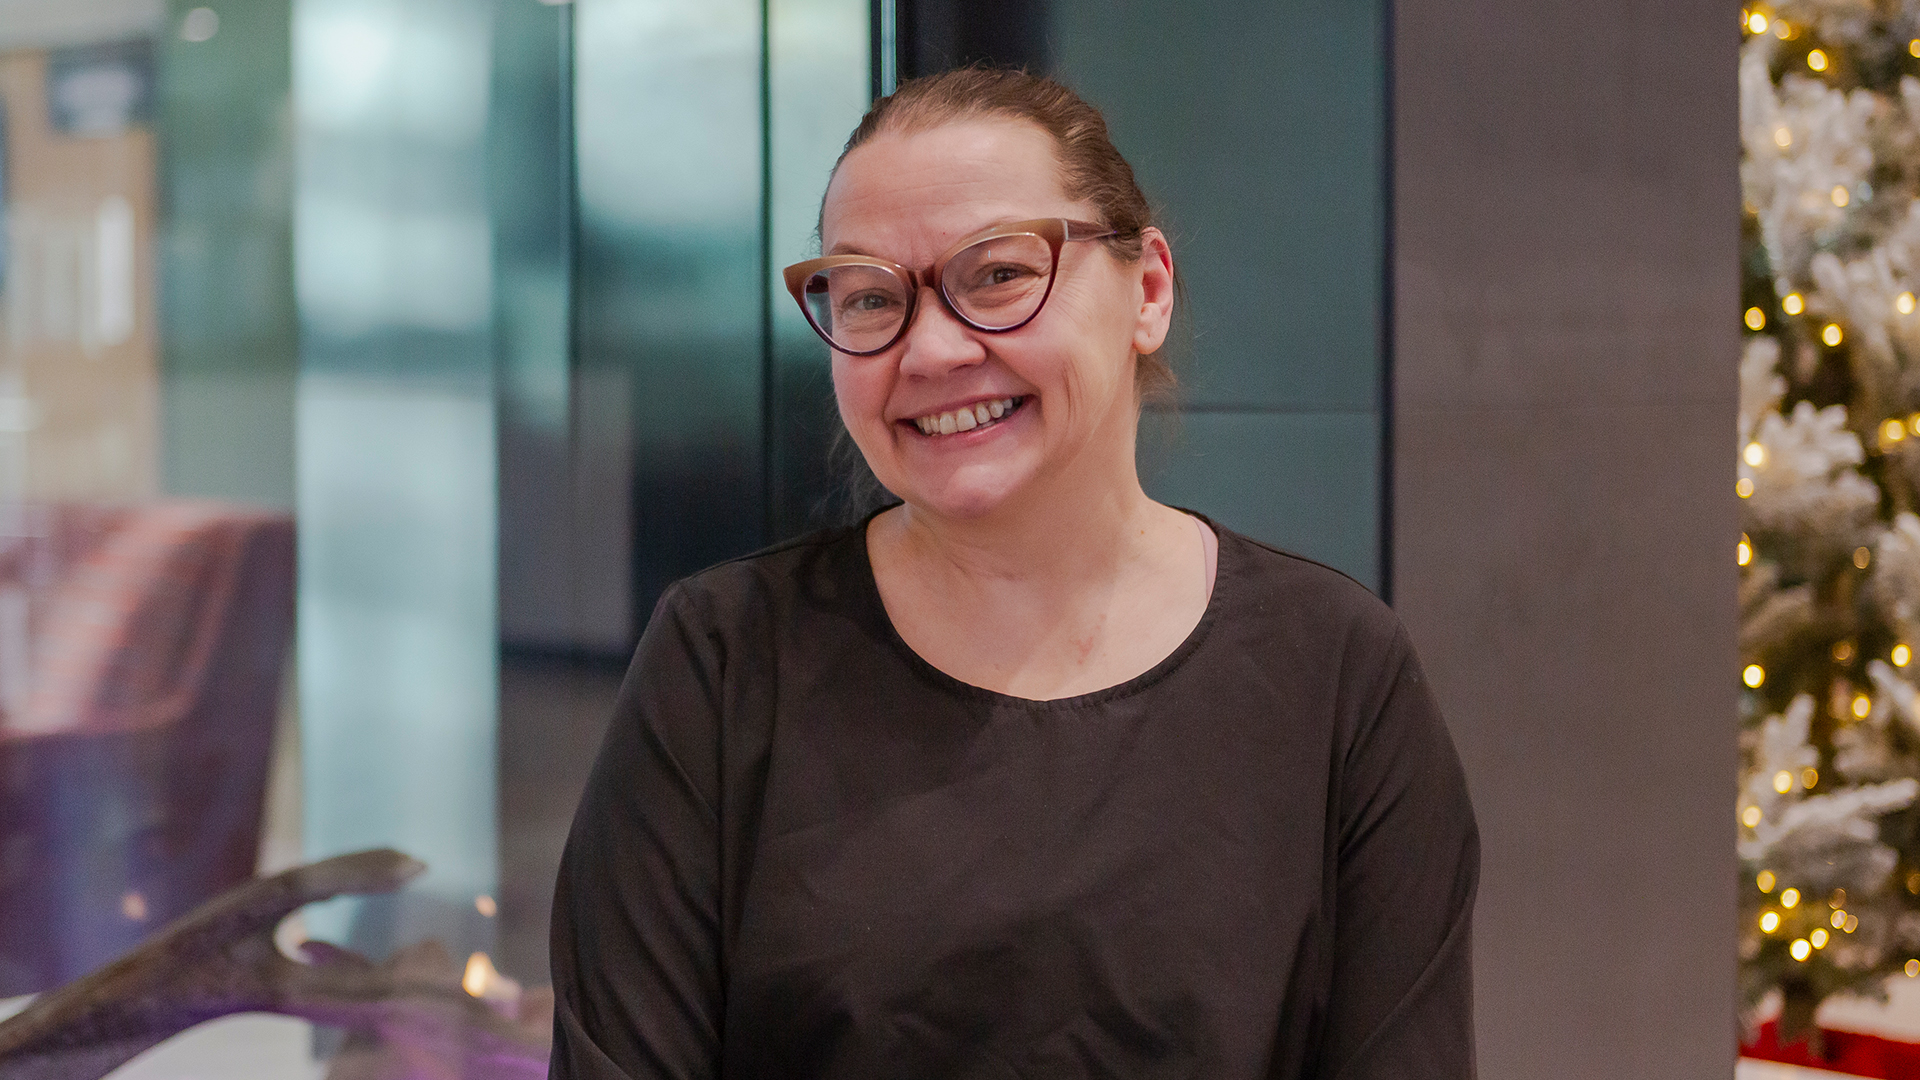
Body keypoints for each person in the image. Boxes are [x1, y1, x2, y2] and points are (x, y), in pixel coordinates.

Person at [548, 67, 1478, 1080]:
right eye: (869, 297)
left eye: (996, 275)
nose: (934, 350)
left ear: (1149, 291)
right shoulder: (722, 662)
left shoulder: (1335, 674)